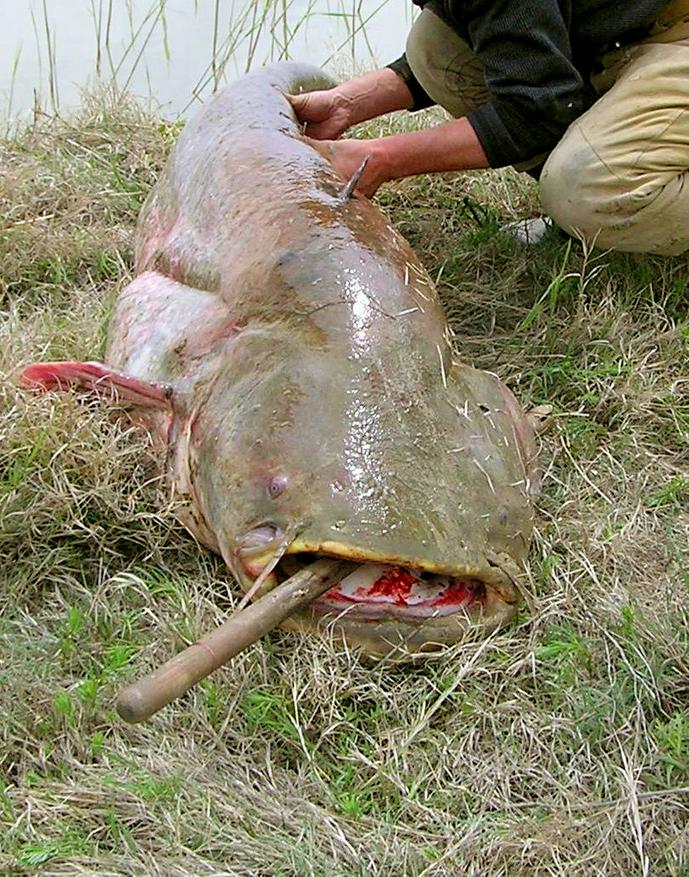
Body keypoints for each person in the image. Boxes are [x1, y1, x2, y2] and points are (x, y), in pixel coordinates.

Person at [290, 1, 689, 255]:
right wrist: (347, 104)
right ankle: (590, 215)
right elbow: (504, 32)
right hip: (623, 31)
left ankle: (601, 203)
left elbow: (536, 111)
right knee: (435, 46)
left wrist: (381, 159)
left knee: (582, 187)